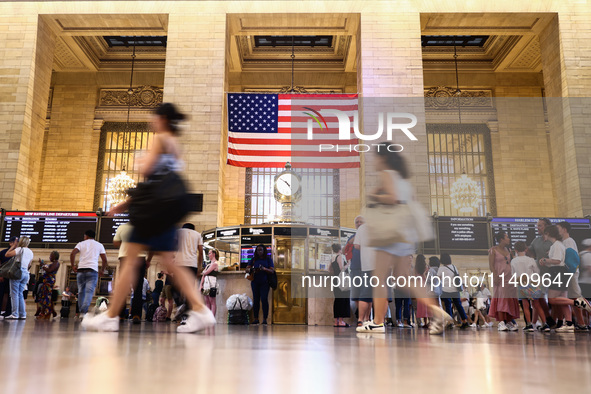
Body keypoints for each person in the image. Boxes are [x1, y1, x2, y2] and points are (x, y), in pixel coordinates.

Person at [82, 103, 215, 333]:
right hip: (164, 210)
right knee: (169, 263)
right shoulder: (174, 144)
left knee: (131, 258)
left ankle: (111, 315)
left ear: (162, 118)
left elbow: (149, 172)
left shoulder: (160, 139)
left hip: (153, 210)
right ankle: (201, 311)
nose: (152, 121)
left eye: (154, 117)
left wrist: (140, 161)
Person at [356, 145, 450, 335]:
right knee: (403, 278)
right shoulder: (404, 179)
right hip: (406, 234)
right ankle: (438, 312)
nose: (374, 161)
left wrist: (374, 195)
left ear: (384, 158)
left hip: (391, 233)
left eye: (376, 157)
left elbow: (392, 198)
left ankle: (378, 322)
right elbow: (409, 201)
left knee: (378, 278)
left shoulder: (387, 174)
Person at [539, 225, 591, 332]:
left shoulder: (556, 245)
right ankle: (569, 322)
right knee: (562, 299)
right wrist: (547, 262)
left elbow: (557, 261)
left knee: (552, 299)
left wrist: (545, 260)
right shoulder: (558, 245)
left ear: (548, 233)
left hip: (558, 272)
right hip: (560, 271)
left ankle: (577, 303)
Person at [113, 222, 151, 324]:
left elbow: (115, 242)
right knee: (138, 288)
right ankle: (136, 315)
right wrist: (148, 260)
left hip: (125, 258)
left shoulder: (122, 227)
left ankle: (121, 315)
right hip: (140, 258)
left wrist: (124, 245)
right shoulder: (145, 228)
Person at [510, 241, 550, 332]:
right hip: (532, 283)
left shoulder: (513, 261)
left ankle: (529, 325)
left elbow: (512, 274)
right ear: (526, 249)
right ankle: (545, 324)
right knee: (536, 305)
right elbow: (537, 272)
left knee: (525, 306)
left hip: (521, 284)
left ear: (515, 250)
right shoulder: (531, 260)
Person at [70, 229, 108, 319]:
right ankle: (84, 311)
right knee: (89, 292)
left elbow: (73, 253)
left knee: (81, 292)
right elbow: (104, 260)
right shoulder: (99, 245)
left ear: (86, 236)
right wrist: (102, 270)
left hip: (81, 270)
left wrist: (72, 266)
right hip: (92, 270)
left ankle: (81, 312)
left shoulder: (81, 244)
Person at [488, 231, 520, 331]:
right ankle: (501, 322)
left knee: (509, 299)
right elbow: (491, 265)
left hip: (510, 278)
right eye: (507, 237)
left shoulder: (509, 250)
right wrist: (495, 276)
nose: (509, 239)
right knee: (502, 299)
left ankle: (509, 321)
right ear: (501, 239)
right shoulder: (493, 250)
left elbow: (513, 263)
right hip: (500, 278)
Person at [557, 221, 587, 330]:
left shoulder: (568, 241)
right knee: (574, 298)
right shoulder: (564, 242)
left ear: (564, 229)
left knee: (577, 298)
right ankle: (581, 322)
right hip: (569, 274)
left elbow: (572, 260)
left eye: (558, 228)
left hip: (570, 274)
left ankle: (581, 322)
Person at [348, 216, 371, 326]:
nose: (359, 223)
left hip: (367, 268)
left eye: (361, 221)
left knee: (367, 294)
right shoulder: (352, 237)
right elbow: (344, 250)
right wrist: (353, 240)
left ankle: (367, 317)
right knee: (356, 294)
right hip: (355, 268)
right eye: (357, 222)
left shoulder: (369, 236)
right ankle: (361, 316)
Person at [437, 253, 469, 329]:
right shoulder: (454, 267)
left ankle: (450, 323)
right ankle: (465, 321)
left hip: (446, 290)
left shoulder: (441, 268)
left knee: (448, 306)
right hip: (455, 290)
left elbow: (437, 279)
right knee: (458, 305)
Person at [4, 236, 33, 320]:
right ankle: (23, 314)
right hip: (26, 274)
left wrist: (12, 247)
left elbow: (7, 254)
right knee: (20, 294)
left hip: (17, 272)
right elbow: (29, 265)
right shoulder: (31, 252)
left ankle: (15, 314)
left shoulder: (20, 249)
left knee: (14, 294)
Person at [246, 244, 275, 325]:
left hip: (265, 283)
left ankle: (265, 319)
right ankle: (256, 319)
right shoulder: (253, 259)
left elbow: (272, 271)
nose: (259, 252)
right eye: (258, 250)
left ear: (264, 250)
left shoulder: (268, 259)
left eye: (261, 250)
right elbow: (247, 269)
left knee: (264, 299)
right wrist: (252, 269)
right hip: (255, 282)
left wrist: (264, 269)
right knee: (256, 300)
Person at [353, 222, 375, 327]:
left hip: (366, 265)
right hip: (381, 266)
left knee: (365, 294)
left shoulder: (362, 228)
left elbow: (356, 245)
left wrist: (366, 249)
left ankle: (360, 320)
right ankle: (376, 321)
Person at [330, 244, 351, 327]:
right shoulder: (340, 257)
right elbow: (342, 268)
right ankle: (341, 321)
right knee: (342, 299)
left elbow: (329, 269)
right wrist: (348, 263)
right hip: (341, 281)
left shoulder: (332, 258)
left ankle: (336, 321)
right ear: (340, 248)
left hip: (335, 279)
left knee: (337, 300)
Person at [36, 251, 60, 320]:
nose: (49, 257)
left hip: (49, 281)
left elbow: (49, 270)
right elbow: (48, 268)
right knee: (44, 296)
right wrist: (42, 263)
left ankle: (45, 313)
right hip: (46, 281)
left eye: (51, 256)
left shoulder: (56, 263)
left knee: (46, 297)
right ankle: (48, 312)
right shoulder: (53, 263)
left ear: (55, 256)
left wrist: (43, 266)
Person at [0, 236, 18, 318]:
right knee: (1, 293)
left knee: (10, 294)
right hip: (3, 276)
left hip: (12, 276)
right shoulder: (3, 252)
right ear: (11, 243)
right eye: (16, 242)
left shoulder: (17, 252)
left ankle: (7, 311)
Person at [200, 249, 219, 316]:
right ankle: (208, 317)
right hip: (206, 284)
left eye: (209, 253)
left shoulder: (215, 264)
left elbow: (206, 272)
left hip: (212, 284)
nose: (208, 255)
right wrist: (201, 285)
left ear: (214, 254)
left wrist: (204, 272)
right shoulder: (208, 265)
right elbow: (203, 274)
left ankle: (212, 318)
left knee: (212, 302)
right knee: (207, 302)